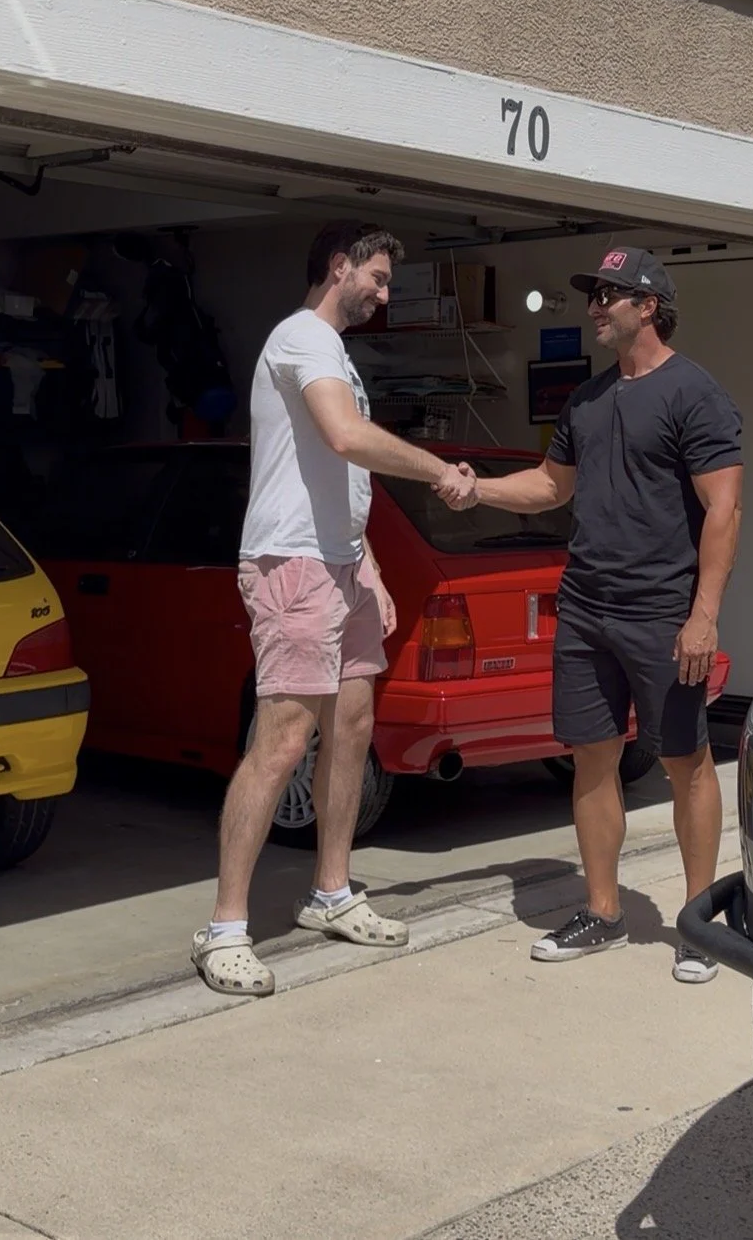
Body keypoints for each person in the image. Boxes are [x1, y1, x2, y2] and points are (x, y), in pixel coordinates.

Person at [441, 247, 742, 983]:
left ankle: (698, 923)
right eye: (594, 294)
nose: (595, 306)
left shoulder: (693, 393)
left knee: (686, 763)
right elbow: (551, 487)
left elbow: (724, 507)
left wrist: (703, 616)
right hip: (586, 608)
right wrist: (476, 491)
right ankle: (603, 911)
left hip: (662, 613)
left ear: (649, 305)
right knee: (591, 756)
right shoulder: (587, 398)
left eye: (610, 294)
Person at [192, 221, 476, 997]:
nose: (384, 294)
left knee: (351, 727)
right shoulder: (300, 339)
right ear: (339, 266)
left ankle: (332, 892)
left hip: (343, 565)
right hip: (292, 564)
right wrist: (440, 471)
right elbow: (347, 438)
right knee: (282, 741)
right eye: (378, 278)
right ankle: (224, 929)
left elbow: (336, 473)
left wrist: (370, 562)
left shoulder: (335, 353)